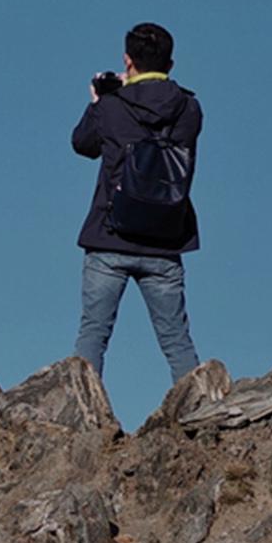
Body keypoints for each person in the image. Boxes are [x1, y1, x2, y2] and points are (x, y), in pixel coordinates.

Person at [72, 21, 203, 381]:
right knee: (177, 341)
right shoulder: (189, 109)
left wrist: (98, 101)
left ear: (128, 61)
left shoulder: (112, 106)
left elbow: (82, 144)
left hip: (110, 235)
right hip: (165, 238)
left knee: (93, 336)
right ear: (170, 64)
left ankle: (86, 420)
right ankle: (200, 413)